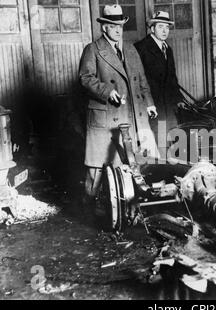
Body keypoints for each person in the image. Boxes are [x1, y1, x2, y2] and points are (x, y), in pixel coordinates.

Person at [79, 4, 157, 212]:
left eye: (120, 26)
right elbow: (85, 78)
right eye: (113, 26)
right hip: (105, 117)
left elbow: (142, 80)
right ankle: (89, 209)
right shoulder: (93, 49)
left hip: (130, 114)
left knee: (133, 161)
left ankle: (129, 208)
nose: (117, 30)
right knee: (97, 167)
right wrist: (106, 91)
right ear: (104, 27)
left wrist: (149, 103)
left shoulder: (130, 49)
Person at [134, 11, 185, 151]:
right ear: (152, 28)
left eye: (167, 27)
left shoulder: (168, 49)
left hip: (168, 104)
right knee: (158, 142)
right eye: (160, 26)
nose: (165, 30)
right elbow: (137, 80)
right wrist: (147, 103)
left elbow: (172, 78)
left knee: (173, 139)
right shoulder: (141, 48)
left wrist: (179, 99)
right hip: (152, 105)